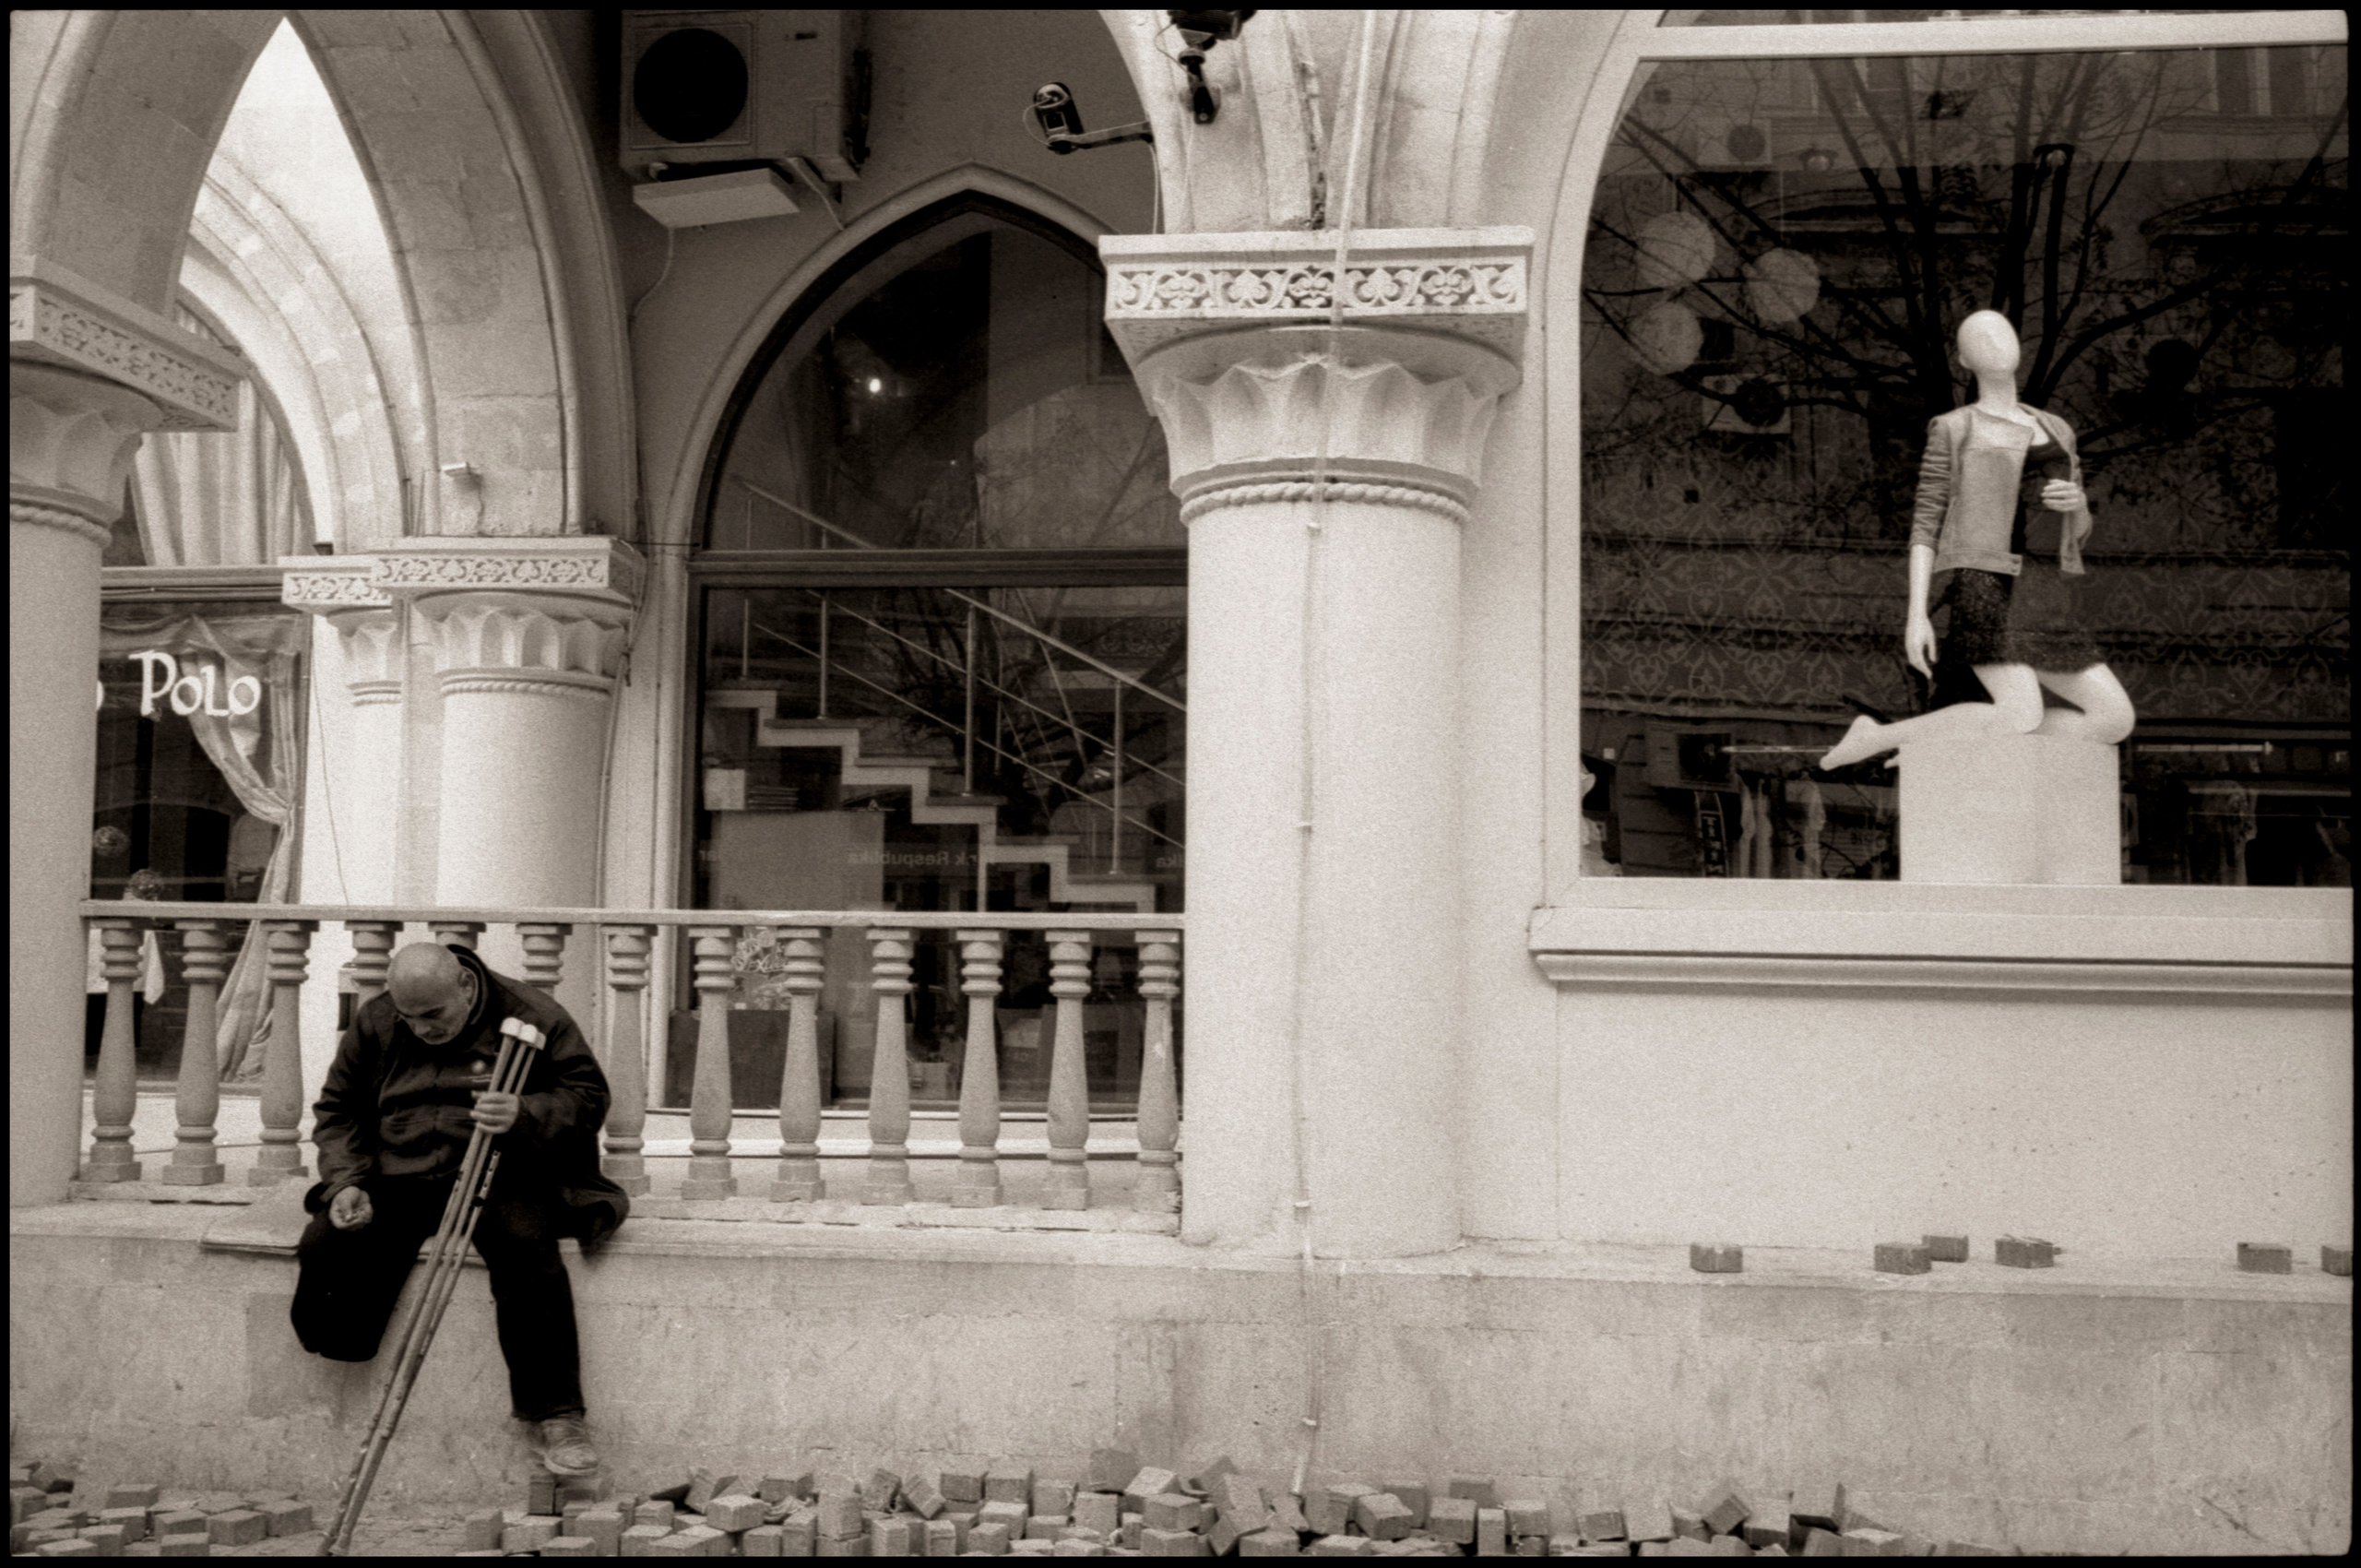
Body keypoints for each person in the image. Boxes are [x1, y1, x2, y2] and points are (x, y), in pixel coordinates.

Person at [291, 941, 628, 1478]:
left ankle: (557, 1417)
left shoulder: (533, 1015)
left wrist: (525, 1111)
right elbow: (339, 1110)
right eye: (411, 1018)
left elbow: (588, 1097)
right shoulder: (377, 1022)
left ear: (466, 987)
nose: (424, 1028)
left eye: (435, 1014)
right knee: (332, 1239)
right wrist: (347, 1182)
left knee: (526, 1247)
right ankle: (343, 1348)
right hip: (402, 1169)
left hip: (503, 1168)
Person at [1820, 309, 2135, 769]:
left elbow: (2079, 533)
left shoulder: (2057, 428)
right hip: (1984, 581)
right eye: (1979, 338)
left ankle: (1931, 737)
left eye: (2002, 331)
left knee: (2112, 718)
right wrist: (1916, 616)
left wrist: (2079, 506)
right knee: (2019, 713)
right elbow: (1926, 521)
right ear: (1964, 359)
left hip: (2040, 588)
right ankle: (1885, 736)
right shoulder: (1955, 426)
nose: (1995, 342)